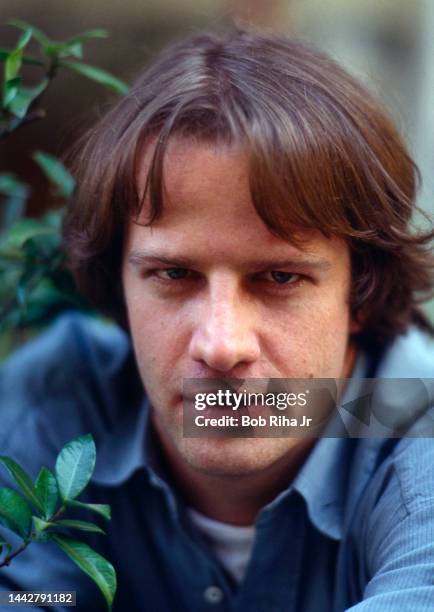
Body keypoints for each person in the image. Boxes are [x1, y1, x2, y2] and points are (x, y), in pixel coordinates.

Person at [1, 28, 434, 611]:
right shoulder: (55, 402)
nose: (221, 345)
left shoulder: (417, 430)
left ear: (361, 291)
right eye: (175, 275)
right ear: (119, 284)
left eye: (279, 278)